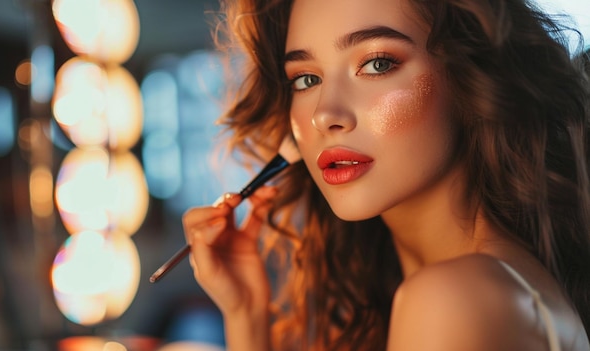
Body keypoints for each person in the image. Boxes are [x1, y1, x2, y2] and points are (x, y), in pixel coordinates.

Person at [181, 0, 590, 349]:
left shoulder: (454, 298)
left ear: (470, 73)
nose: (325, 114)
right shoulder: (490, 284)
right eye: (306, 79)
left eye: (377, 64)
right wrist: (246, 314)